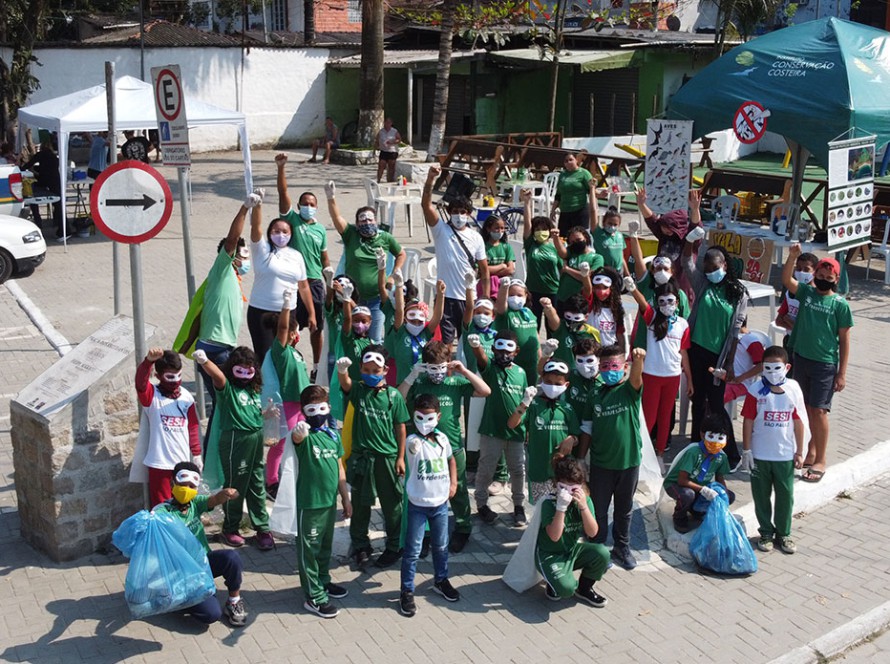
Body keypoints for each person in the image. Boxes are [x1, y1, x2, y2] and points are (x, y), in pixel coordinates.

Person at [400, 342, 491, 554]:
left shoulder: (455, 383)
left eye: (441, 367)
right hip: (422, 448)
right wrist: (412, 375)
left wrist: (464, 371)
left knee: (457, 489)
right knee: (425, 489)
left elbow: (485, 390)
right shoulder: (419, 381)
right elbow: (399, 397)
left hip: (452, 448)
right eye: (432, 368)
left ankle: (463, 527)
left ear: (448, 364)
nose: (436, 373)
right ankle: (426, 534)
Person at [183, 195, 256, 447]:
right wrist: (244, 207)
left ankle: (216, 447)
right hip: (215, 349)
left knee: (224, 400)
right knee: (226, 399)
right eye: (241, 255)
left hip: (222, 348)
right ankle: (213, 450)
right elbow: (233, 238)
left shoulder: (235, 280)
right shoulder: (222, 269)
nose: (246, 259)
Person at [682, 198, 748, 464]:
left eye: (715, 268)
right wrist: (690, 238)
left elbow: (735, 331)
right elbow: (687, 262)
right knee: (697, 400)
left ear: (725, 265)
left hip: (719, 357)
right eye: (707, 268)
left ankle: (729, 451)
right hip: (697, 349)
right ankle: (696, 447)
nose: (711, 272)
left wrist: (730, 363)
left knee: (717, 404)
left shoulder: (737, 292)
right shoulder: (703, 284)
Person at [781, 246, 852, 483]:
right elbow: (786, 279)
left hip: (825, 364)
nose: (823, 281)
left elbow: (844, 340)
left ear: (836, 280)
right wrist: (792, 257)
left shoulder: (840, 305)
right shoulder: (807, 293)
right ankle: (807, 451)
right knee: (803, 409)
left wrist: (841, 373)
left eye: (828, 278)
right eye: (819, 277)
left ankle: (820, 458)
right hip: (801, 358)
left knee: (819, 411)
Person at [193, 346, 274, 551]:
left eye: (250, 370)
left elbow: (251, 413)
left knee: (256, 484)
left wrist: (267, 414)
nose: (246, 375)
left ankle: (262, 527)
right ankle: (230, 528)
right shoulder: (228, 389)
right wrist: (204, 362)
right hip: (235, 441)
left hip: (255, 440)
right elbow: (219, 377)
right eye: (241, 370)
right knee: (235, 485)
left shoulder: (252, 390)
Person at [337, 347, 410, 569]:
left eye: (376, 370)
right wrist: (342, 371)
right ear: (361, 369)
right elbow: (346, 384)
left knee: (392, 504)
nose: (371, 373)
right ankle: (361, 546)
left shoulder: (394, 396)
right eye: (366, 370)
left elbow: (401, 428)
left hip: (386, 458)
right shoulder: (359, 391)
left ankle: (395, 545)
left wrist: (400, 457)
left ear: (385, 370)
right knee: (360, 505)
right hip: (362, 459)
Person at [578, 345, 646, 570]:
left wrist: (638, 360)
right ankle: (597, 548)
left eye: (614, 366)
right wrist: (580, 460)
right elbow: (587, 428)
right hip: (600, 465)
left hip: (629, 463)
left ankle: (622, 547)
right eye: (605, 366)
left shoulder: (629, 390)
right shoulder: (594, 394)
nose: (609, 370)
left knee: (623, 509)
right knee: (598, 509)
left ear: (624, 368)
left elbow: (636, 378)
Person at [155, 463, 247, 626]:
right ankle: (177, 599)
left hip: (202, 565)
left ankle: (234, 601)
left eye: (191, 486)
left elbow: (213, 500)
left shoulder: (195, 504)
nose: (186, 489)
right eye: (182, 485)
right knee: (211, 614)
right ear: (172, 483)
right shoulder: (161, 512)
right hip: (181, 573)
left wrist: (226, 494)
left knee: (231, 557)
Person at [290, 385, 352, 618]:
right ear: (304, 411)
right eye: (311, 409)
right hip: (310, 504)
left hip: (329, 503)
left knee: (324, 548)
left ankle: (323, 582)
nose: (317, 414)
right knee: (309, 551)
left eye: (322, 408)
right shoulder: (305, 435)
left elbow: (339, 467)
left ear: (328, 408)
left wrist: (345, 498)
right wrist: (299, 432)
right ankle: (313, 597)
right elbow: (296, 439)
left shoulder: (333, 434)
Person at [739, 346, 806, 553]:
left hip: (784, 455)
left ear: (786, 367)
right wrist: (747, 451)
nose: (772, 372)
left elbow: (799, 421)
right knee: (761, 495)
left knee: (785, 496)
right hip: (760, 454)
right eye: (767, 368)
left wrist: (799, 451)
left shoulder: (793, 389)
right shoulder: (755, 390)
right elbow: (748, 421)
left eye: (776, 368)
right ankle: (766, 532)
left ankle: (784, 533)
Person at [399, 394, 460, 617]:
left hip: (441, 504)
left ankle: (441, 580)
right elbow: (408, 450)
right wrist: (408, 448)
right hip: (418, 504)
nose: (425, 422)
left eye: (430, 417)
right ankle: (406, 590)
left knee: (441, 547)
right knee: (413, 551)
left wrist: (453, 483)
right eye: (420, 417)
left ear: (438, 416)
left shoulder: (443, 439)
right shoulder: (412, 441)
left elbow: (451, 460)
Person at [326, 181, 406, 342]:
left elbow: (401, 254)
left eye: (370, 220)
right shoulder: (351, 235)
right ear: (357, 224)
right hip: (352, 296)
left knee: (374, 340)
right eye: (363, 220)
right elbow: (337, 218)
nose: (367, 223)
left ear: (376, 221)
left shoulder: (385, 237)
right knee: (351, 339)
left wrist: (393, 274)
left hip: (377, 299)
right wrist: (331, 197)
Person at [626, 278, 693, 465]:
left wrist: (689, 379)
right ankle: (639, 454)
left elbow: (684, 352)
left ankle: (660, 454)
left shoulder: (683, 324)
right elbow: (642, 304)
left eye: (670, 301)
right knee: (649, 417)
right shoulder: (652, 317)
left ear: (677, 302)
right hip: (651, 375)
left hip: (672, 377)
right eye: (662, 301)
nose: (666, 305)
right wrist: (632, 289)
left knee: (665, 417)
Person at [422, 165, 490, 344]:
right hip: (446, 297)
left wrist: (486, 298)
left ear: (468, 214)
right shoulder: (441, 230)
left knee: (467, 343)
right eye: (454, 212)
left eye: (462, 212)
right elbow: (426, 205)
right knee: (444, 343)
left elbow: (484, 271)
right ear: (449, 213)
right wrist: (430, 180)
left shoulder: (476, 237)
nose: (459, 215)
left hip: (468, 297)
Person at [246, 189, 316, 363]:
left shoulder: (296, 255)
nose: (281, 235)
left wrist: (311, 313)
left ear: (291, 235)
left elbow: (304, 286)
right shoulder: (262, 250)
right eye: (276, 231)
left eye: (285, 232)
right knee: (265, 357)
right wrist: (258, 206)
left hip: (288, 312)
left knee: (285, 356)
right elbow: (256, 227)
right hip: (261, 311)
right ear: (270, 233)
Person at [276, 153, 331, 375]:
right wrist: (281, 168)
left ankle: (317, 367)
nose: (308, 206)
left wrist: (328, 276)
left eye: (312, 204)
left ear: (316, 207)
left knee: (316, 329)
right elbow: (282, 193)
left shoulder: (320, 230)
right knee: (290, 327)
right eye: (305, 204)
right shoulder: (293, 221)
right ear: (298, 206)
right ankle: (291, 363)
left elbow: (324, 258)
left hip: (316, 283)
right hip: (293, 284)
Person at [468, 330, 529, 526]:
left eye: (508, 350)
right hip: (492, 430)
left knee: (518, 471)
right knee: (486, 468)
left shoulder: (521, 373)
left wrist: (525, 427)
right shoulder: (490, 368)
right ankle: (481, 504)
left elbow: (524, 400)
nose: (503, 354)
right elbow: (482, 359)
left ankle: (518, 506)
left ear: (516, 352)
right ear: (494, 349)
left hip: (516, 432)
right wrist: (477, 347)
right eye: (499, 349)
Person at [535, 455, 610, 606]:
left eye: (574, 488)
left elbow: (593, 533)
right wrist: (561, 508)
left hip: (571, 550)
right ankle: (554, 582)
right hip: (550, 554)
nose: (569, 493)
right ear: (556, 484)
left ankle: (584, 589)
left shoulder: (584, 500)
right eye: (563, 488)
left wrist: (583, 507)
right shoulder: (549, 503)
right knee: (566, 589)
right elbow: (555, 536)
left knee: (602, 553)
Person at [135, 348, 201, 505]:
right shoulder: (152, 396)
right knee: (162, 507)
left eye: (179, 376)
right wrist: (148, 362)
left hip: (182, 463)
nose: (176, 381)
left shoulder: (186, 396)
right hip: (159, 463)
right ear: (158, 376)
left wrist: (197, 454)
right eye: (170, 377)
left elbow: (192, 426)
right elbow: (140, 384)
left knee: (184, 504)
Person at [262, 288, 311, 499]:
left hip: (302, 404)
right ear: (291, 333)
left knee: (302, 439)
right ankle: (271, 481)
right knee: (281, 443)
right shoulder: (280, 352)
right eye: (296, 330)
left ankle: (296, 476)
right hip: (287, 404)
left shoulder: (295, 353)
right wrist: (286, 305)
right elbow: (283, 326)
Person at [508, 360, 579, 503]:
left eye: (558, 384)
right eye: (548, 382)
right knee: (540, 509)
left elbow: (576, 434)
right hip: (538, 469)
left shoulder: (567, 408)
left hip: (562, 472)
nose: (553, 386)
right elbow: (512, 423)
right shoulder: (533, 405)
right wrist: (524, 402)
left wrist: (572, 438)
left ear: (566, 385)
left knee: (561, 507)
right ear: (542, 381)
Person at [662, 413, 735, 533]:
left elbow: (719, 477)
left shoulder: (721, 457)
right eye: (711, 436)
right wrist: (704, 490)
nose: (716, 443)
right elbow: (682, 480)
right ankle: (679, 515)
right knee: (687, 494)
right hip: (676, 485)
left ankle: (696, 510)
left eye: (720, 438)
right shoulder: (693, 452)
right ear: (702, 435)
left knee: (729, 496)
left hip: (698, 485)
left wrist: (724, 493)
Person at [627, 225, 690, 351]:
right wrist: (633, 236)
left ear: (672, 271)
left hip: (669, 348)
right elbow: (639, 260)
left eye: (665, 269)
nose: (662, 271)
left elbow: (686, 323)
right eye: (658, 268)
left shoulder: (680, 295)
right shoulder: (646, 285)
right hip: (644, 345)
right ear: (652, 270)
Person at [636, 188, 701, 302]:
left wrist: (695, 209)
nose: (665, 231)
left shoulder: (689, 239)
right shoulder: (663, 235)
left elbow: (695, 226)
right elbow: (652, 220)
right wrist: (642, 204)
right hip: (663, 286)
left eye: (668, 229)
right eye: (663, 228)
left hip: (683, 288)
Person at [385, 279, 445, 384]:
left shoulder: (425, 333)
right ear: (405, 319)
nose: (416, 324)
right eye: (412, 321)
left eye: (419, 321)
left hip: (421, 385)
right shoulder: (400, 333)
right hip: (402, 383)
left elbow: (437, 317)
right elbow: (399, 310)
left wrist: (440, 295)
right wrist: (399, 286)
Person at [520, 189, 562, 329]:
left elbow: (563, 269)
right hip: (533, 290)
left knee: (552, 327)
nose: (540, 232)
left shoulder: (555, 246)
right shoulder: (531, 245)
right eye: (537, 229)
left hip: (552, 291)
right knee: (533, 324)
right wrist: (527, 203)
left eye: (544, 229)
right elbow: (527, 225)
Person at [495, 277, 540, 382]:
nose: (515, 298)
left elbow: (535, 334)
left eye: (519, 295)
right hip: (512, 364)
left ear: (526, 296)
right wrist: (504, 288)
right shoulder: (505, 313)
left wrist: (540, 355)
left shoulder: (529, 313)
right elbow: (500, 305)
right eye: (511, 295)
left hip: (531, 364)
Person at [774, 251, 818, 354]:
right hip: (789, 341)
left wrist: (788, 321)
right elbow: (779, 321)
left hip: (807, 345)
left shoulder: (816, 296)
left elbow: (809, 331)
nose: (801, 272)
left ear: (815, 272)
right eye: (798, 269)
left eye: (806, 270)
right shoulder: (790, 294)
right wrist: (795, 326)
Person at [541, 294, 599, 367]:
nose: (572, 321)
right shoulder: (560, 328)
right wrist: (548, 307)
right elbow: (552, 316)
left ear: (586, 317)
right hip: (561, 372)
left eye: (577, 318)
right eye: (568, 316)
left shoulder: (592, 333)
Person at [555, 226, 603, 310]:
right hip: (562, 298)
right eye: (572, 241)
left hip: (580, 301)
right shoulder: (571, 253)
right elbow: (562, 252)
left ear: (585, 237)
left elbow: (588, 278)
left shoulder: (596, 258)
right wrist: (556, 238)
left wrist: (567, 269)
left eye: (578, 240)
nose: (575, 243)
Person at [24, 139, 64, 239]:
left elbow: (27, 166)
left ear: (41, 147)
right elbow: (48, 168)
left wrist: (27, 168)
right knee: (59, 205)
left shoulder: (40, 154)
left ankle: (38, 221)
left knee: (32, 196)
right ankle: (62, 228)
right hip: (55, 180)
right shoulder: (54, 156)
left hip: (45, 181)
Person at [552, 153, 596, 237]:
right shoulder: (562, 175)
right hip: (565, 211)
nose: (568, 162)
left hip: (579, 210)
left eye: (570, 160)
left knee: (579, 237)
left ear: (576, 160)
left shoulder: (584, 173)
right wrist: (552, 210)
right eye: (566, 161)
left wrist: (599, 196)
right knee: (563, 238)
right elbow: (558, 195)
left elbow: (591, 190)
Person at [581, 267, 626, 349]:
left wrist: (622, 354)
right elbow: (587, 289)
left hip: (610, 350)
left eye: (605, 287)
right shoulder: (589, 304)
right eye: (597, 287)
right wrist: (585, 276)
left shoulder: (616, 308)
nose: (601, 291)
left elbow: (619, 334)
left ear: (611, 288)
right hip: (591, 350)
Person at [480, 213, 515, 300]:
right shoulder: (482, 247)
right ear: (488, 229)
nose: (500, 231)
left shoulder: (506, 247)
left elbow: (510, 269)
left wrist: (490, 272)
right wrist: (502, 266)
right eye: (496, 228)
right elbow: (481, 269)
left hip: (503, 286)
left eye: (502, 228)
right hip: (486, 285)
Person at [591, 208, 629, 275]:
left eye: (615, 224)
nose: (612, 226)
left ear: (619, 224)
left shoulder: (619, 235)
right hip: (604, 271)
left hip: (619, 271)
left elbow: (621, 257)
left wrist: (627, 274)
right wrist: (593, 197)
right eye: (610, 223)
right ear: (603, 222)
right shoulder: (598, 234)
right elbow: (593, 211)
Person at [376, 118, 401, 183]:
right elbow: (377, 140)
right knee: (381, 165)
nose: (387, 124)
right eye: (386, 122)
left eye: (389, 123)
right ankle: (378, 180)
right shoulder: (381, 131)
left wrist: (392, 142)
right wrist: (376, 147)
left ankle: (390, 180)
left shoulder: (394, 131)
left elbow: (399, 140)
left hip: (392, 151)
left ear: (391, 123)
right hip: (384, 151)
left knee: (391, 167)